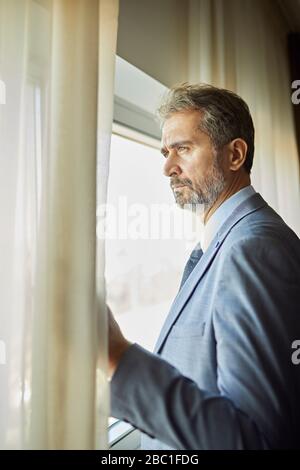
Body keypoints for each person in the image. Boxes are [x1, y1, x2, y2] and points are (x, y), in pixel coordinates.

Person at [108, 84, 300, 450]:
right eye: (165, 152)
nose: (167, 167)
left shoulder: (253, 249)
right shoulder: (227, 243)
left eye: (182, 148)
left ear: (235, 155)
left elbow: (255, 440)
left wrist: (117, 355)